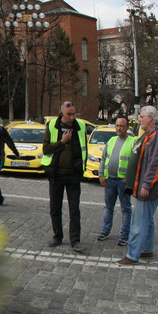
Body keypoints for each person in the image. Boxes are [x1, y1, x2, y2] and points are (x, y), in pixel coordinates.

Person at [117, 106, 158, 265]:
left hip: (147, 188)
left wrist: (146, 185)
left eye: (142, 116)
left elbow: (154, 164)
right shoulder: (149, 135)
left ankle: (132, 255)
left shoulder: (156, 137)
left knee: (139, 222)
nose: (139, 119)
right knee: (147, 220)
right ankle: (146, 249)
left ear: (150, 118)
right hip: (143, 186)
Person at [41, 101, 87, 252]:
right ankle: (57, 236)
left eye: (74, 114)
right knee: (55, 208)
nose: (72, 117)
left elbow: (83, 149)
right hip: (56, 174)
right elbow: (46, 149)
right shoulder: (52, 126)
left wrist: (81, 168)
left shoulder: (80, 127)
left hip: (73, 174)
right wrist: (62, 142)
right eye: (69, 114)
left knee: (74, 210)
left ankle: (75, 240)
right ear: (61, 113)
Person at [97, 116, 135, 246]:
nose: (119, 128)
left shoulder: (133, 142)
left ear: (127, 128)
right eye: (117, 125)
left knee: (126, 209)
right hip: (110, 180)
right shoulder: (111, 140)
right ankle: (105, 231)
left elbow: (135, 163)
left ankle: (124, 235)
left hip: (123, 182)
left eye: (122, 126)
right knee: (108, 207)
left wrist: (129, 178)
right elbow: (103, 159)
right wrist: (101, 175)